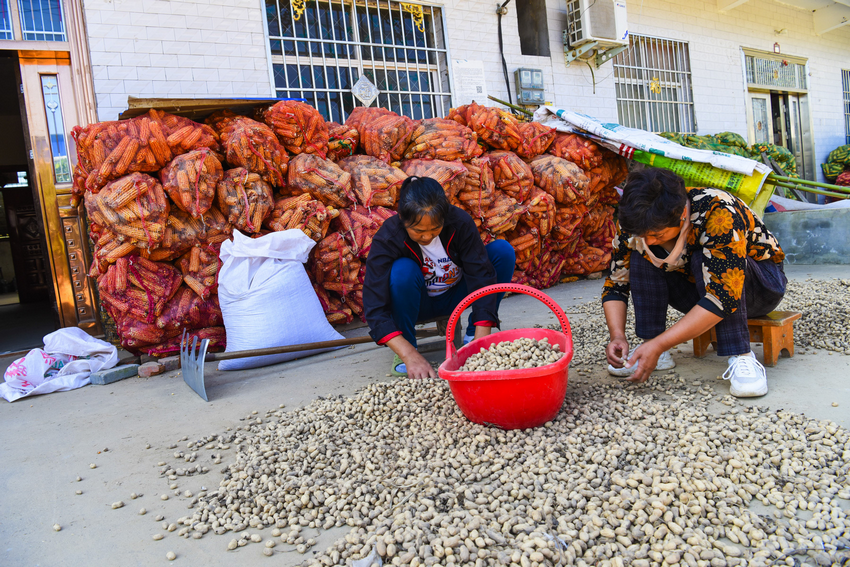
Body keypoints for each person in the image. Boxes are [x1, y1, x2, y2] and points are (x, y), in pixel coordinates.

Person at [602, 168, 787, 397]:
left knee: (704, 259)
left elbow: (723, 295)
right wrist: (617, 335)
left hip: (760, 286)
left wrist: (662, 343)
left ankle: (742, 356)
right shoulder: (635, 222)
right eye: (644, 234)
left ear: (680, 214)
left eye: (658, 235)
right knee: (641, 253)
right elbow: (616, 283)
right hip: (697, 289)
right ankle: (651, 348)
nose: (650, 240)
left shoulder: (718, 210)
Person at [364, 176, 516, 379]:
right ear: (402, 219)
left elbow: (481, 275)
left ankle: (473, 336)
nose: (427, 237)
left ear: (444, 218)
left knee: (502, 252)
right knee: (402, 271)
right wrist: (409, 355)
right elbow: (374, 306)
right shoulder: (388, 237)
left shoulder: (459, 222)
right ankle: (407, 347)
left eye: (435, 229)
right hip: (416, 304)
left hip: (457, 297)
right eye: (418, 231)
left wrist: (481, 345)